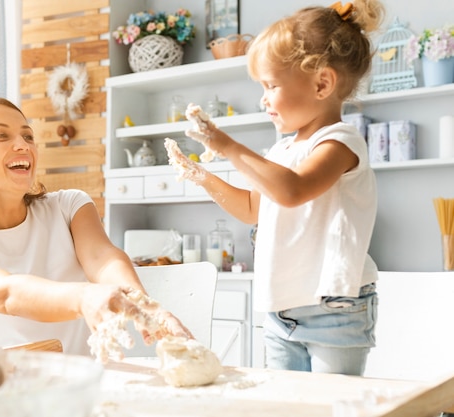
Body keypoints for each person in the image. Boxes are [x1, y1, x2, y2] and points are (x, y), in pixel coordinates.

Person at [165, 0, 384, 375]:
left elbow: (293, 191)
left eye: (271, 85)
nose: (263, 98)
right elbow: (255, 208)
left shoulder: (341, 142)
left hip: (335, 308)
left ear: (322, 83)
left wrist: (229, 147)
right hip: (282, 309)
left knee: (330, 406)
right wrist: (203, 176)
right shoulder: (283, 148)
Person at [0, 97, 191, 357]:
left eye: (28, 136)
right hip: (13, 390)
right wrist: (83, 297)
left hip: (88, 384)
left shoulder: (68, 206)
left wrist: (148, 307)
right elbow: (7, 294)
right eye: (1, 136)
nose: (22, 145)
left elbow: (102, 258)